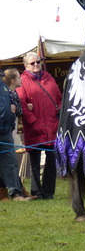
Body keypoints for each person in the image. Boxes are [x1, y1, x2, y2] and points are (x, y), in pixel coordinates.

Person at [16, 52, 62, 199]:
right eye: (32, 63)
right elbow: (22, 105)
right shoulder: (22, 81)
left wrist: (58, 117)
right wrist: (34, 122)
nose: (36, 65)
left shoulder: (49, 78)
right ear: (26, 65)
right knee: (35, 163)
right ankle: (37, 192)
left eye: (38, 62)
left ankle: (49, 192)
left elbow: (59, 99)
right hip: (34, 128)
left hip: (52, 126)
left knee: (51, 161)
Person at [0, 70, 32, 201]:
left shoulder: (5, 89)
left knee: (11, 162)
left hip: (5, 131)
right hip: (5, 129)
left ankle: (16, 194)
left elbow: (13, 109)